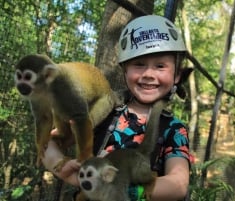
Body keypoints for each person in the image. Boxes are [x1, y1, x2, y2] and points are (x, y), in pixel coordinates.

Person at [42, 15, 190, 201]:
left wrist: (128, 193)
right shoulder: (107, 111)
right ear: (125, 70)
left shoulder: (174, 129)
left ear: (177, 75)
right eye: (139, 64)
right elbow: (49, 142)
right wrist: (60, 165)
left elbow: (178, 184)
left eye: (160, 66)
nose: (148, 74)